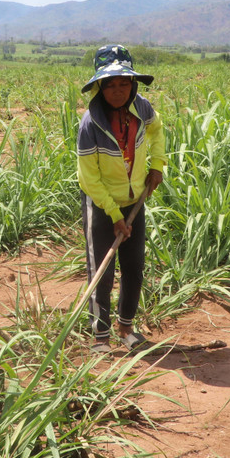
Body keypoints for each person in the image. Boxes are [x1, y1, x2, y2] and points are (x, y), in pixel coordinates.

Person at [76, 44, 167, 354]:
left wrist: (157, 165)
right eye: (110, 84)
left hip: (134, 199)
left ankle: (126, 327)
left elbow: (157, 132)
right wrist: (114, 215)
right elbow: (89, 178)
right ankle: (99, 338)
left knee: (134, 266)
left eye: (123, 83)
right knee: (101, 269)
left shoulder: (142, 108)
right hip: (101, 205)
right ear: (100, 87)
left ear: (133, 84)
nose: (117, 90)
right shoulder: (90, 125)